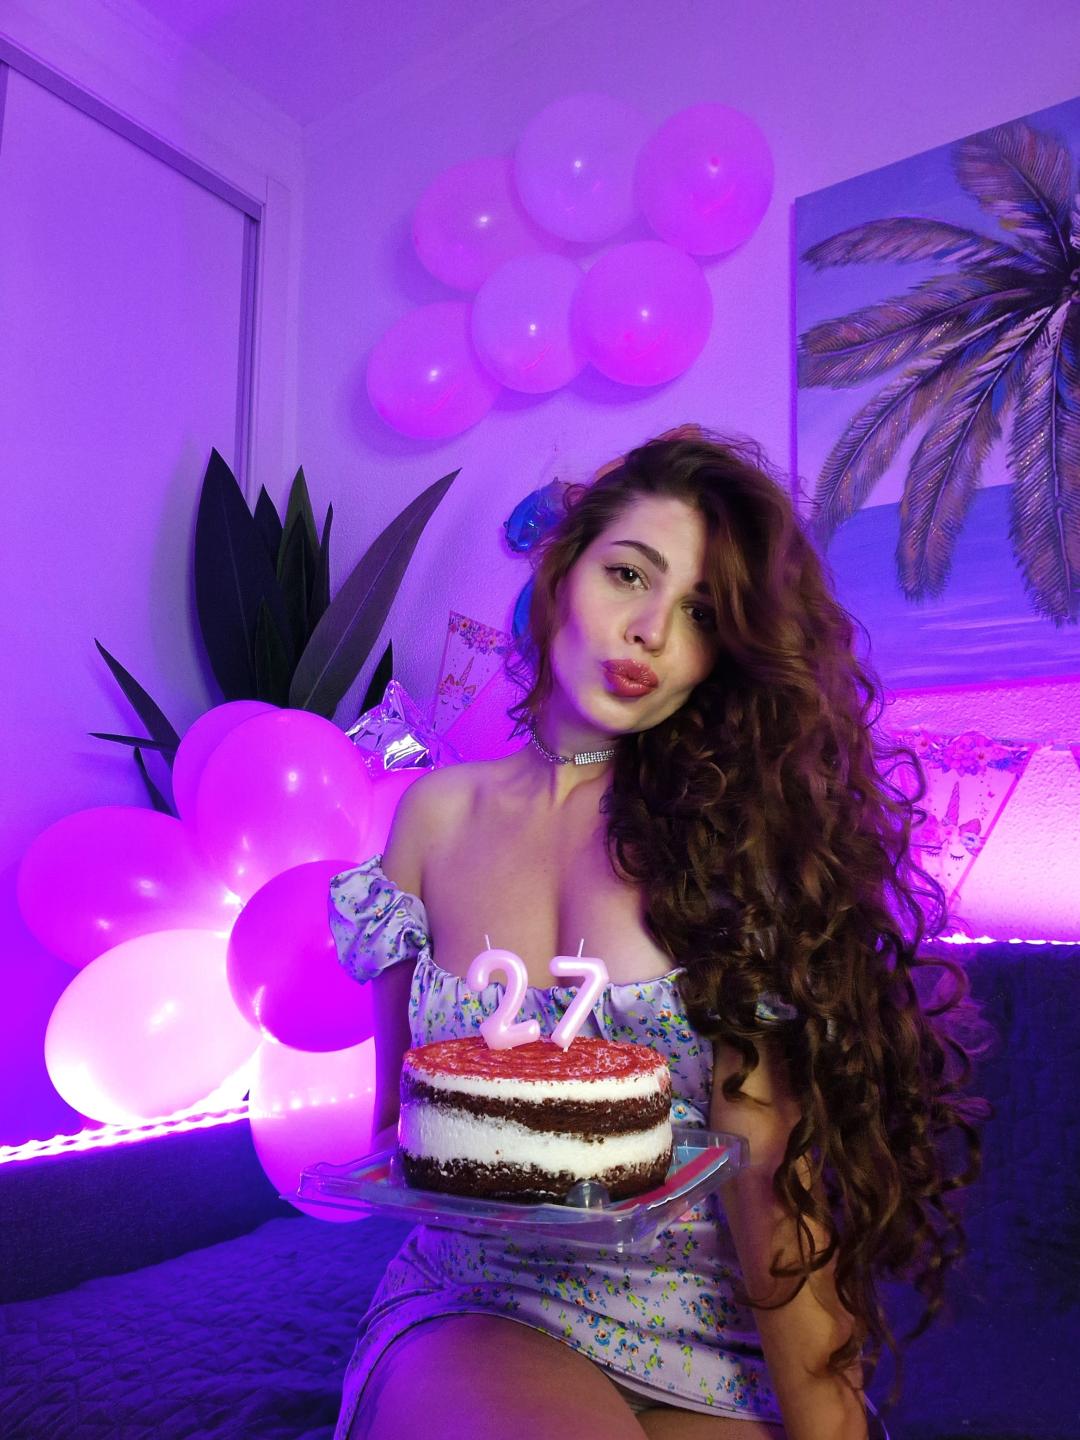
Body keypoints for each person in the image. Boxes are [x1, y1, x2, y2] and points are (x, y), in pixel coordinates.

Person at [327, 427, 987, 1440]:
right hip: (481, 1304)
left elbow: (768, 1181)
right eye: (628, 574)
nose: (648, 632)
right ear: (562, 569)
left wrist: (831, 1424)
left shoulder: (728, 850)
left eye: (699, 613)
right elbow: (402, 1125)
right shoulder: (432, 819)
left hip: (709, 1337)